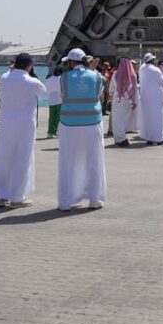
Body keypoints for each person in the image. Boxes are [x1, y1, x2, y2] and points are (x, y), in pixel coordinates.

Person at [57, 48, 107, 211]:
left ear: (71, 62)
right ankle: (95, 199)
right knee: (94, 160)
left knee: (68, 162)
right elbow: (99, 94)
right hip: (93, 123)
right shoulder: (97, 76)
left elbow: (61, 96)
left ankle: (66, 202)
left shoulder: (63, 78)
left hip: (69, 124)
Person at [0, 53, 46, 208]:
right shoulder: (32, 82)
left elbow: (6, 78)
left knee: (4, 157)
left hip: (6, 123)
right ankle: (17, 197)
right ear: (29, 65)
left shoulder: (4, 78)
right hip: (24, 124)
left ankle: (2, 195)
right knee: (22, 158)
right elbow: (42, 91)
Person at [137, 53, 163, 145]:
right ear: (152, 60)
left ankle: (149, 137)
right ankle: (158, 139)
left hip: (145, 97)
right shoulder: (155, 69)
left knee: (147, 118)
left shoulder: (141, 69)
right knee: (157, 118)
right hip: (156, 98)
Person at [109, 58, 139, 147]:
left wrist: (111, 95)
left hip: (118, 100)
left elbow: (112, 88)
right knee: (124, 120)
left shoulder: (116, 73)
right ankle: (121, 138)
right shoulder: (133, 75)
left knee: (118, 120)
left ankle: (120, 139)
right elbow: (134, 89)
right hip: (128, 100)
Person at [45, 66, 63, 139]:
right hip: (60, 100)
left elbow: (47, 89)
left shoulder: (48, 79)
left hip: (51, 100)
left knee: (51, 117)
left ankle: (50, 132)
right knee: (59, 117)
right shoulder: (61, 79)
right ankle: (58, 131)